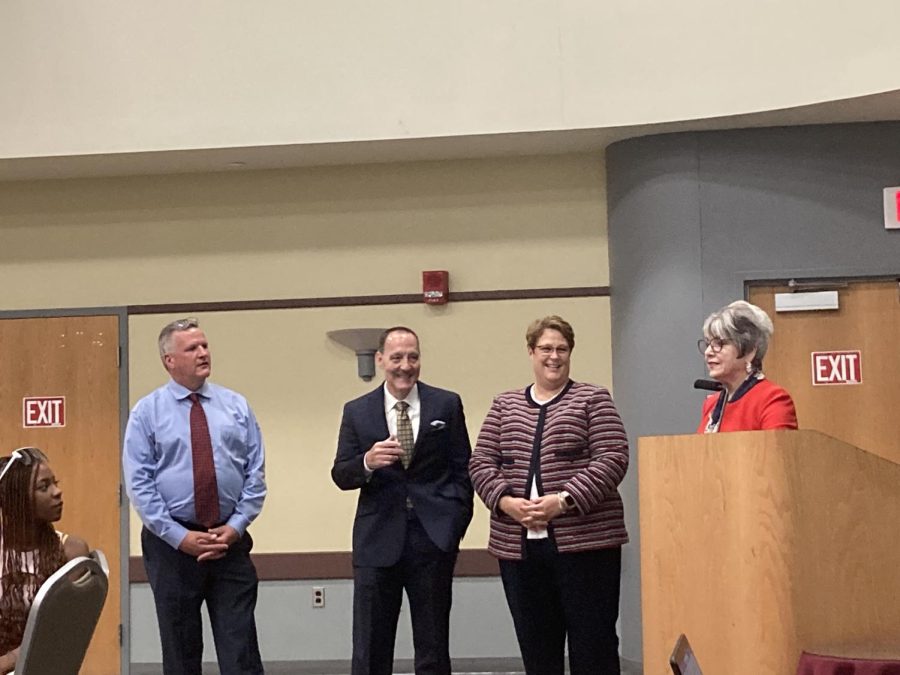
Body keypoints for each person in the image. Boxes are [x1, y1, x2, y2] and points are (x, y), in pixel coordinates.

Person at [469, 315, 629, 675]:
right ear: (531, 352)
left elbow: (613, 457)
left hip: (586, 546)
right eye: (545, 349)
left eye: (561, 349)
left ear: (570, 353)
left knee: (594, 645)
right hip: (520, 550)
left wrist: (564, 500)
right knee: (537, 647)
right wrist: (506, 503)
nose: (553, 356)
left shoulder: (593, 398)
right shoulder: (504, 405)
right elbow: (480, 463)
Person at [123, 317, 267, 675]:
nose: (203, 353)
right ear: (169, 360)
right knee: (181, 651)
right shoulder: (147, 413)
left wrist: (235, 527)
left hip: (228, 542)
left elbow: (255, 474)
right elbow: (140, 485)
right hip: (171, 547)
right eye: (192, 348)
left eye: (204, 346)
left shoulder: (236, 406)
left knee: (241, 652)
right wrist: (180, 537)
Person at [331, 326, 473, 675]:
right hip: (377, 540)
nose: (405, 366)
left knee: (433, 645)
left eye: (412, 357)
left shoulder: (446, 404)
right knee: (370, 646)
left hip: (433, 539)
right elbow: (341, 474)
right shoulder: (357, 411)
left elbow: (464, 471)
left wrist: (453, 527)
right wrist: (367, 461)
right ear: (380, 360)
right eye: (396, 357)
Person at [0, 447, 90, 675]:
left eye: (55, 483)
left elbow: (64, 636)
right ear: (15, 499)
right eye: (44, 487)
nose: (57, 492)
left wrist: (11, 660)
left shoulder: (71, 552)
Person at [697, 300, 798, 432]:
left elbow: (778, 451)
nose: (708, 352)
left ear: (750, 351)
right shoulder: (711, 404)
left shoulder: (772, 399)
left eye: (719, 344)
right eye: (708, 344)